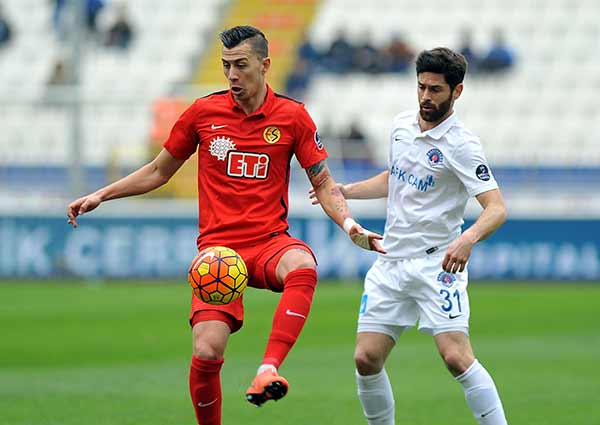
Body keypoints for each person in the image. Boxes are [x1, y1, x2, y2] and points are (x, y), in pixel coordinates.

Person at [66, 25, 385, 425]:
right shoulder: (203, 113)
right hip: (218, 254)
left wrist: (350, 225)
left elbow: (323, 183)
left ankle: (268, 368)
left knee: (302, 265)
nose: (232, 75)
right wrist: (102, 194)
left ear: (265, 65)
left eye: (241, 65)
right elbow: (159, 170)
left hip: (268, 243)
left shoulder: (293, 117)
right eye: (226, 66)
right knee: (206, 351)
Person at [311, 47, 508, 424]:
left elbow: (496, 207)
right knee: (365, 358)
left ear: (457, 91)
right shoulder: (401, 126)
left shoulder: (462, 145)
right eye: (421, 87)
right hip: (391, 261)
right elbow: (395, 177)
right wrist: (346, 190)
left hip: (437, 265)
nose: (425, 97)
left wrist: (467, 239)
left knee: (456, 357)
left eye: (435, 89)